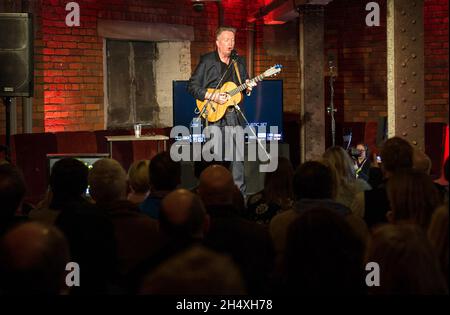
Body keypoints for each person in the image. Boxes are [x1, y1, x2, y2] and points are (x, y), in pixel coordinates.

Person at [187, 26, 257, 195]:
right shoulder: (207, 61)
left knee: (237, 160)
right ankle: (213, 197)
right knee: (215, 159)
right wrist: (213, 96)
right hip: (213, 116)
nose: (230, 43)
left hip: (234, 116)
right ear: (217, 43)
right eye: (226, 40)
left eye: (232, 40)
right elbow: (192, 87)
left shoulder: (238, 61)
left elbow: (243, 86)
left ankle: (240, 200)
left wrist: (248, 88)